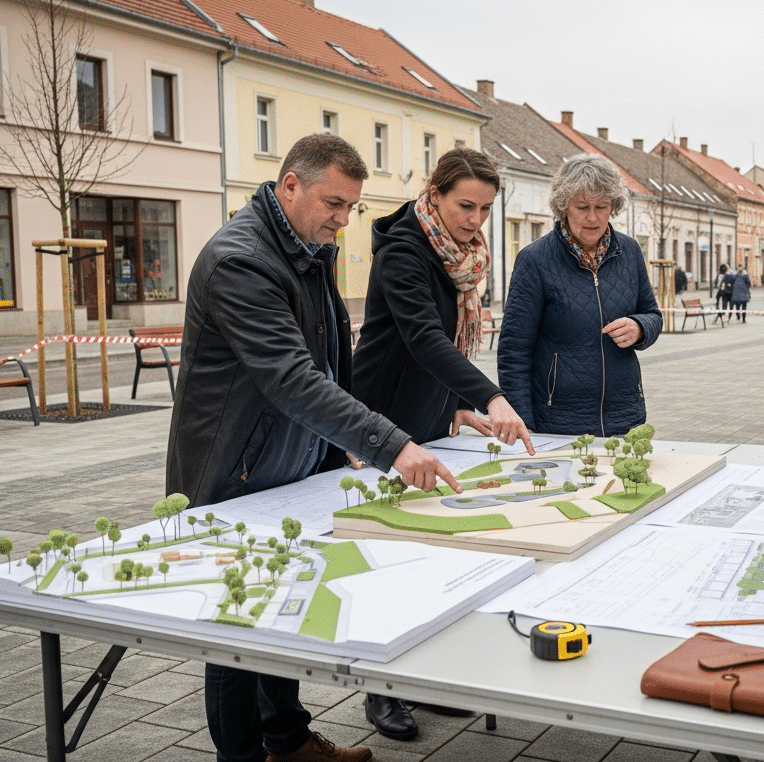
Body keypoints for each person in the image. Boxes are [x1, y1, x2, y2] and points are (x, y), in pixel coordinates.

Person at [167, 133, 462, 762]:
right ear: (290, 185)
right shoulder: (240, 260)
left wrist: (341, 446)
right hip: (233, 468)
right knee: (236, 624)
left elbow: (332, 360)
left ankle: (289, 739)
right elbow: (289, 376)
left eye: (352, 207)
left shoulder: (307, 248)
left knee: (284, 605)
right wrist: (390, 444)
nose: (342, 218)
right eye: (333, 202)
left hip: (288, 463)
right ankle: (243, 756)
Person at [349, 147, 534, 741]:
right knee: (388, 556)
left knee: (433, 553)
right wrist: (492, 397)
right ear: (436, 192)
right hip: (380, 419)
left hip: (427, 416)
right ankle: (381, 690)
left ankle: (422, 677)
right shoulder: (405, 249)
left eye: (484, 209)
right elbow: (425, 337)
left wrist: (455, 404)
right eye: (465, 206)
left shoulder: (460, 254)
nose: (475, 220)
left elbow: (437, 345)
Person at [498, 154, 662, 437]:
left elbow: (652, 314)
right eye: (582, 207)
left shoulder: (630, 251)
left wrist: (639, 327)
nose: (593, 217)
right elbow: (514, 352)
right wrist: (523, 422)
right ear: (564, 207)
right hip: (559, 421)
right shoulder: (535, 260)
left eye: (602, 206)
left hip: (624, 415)